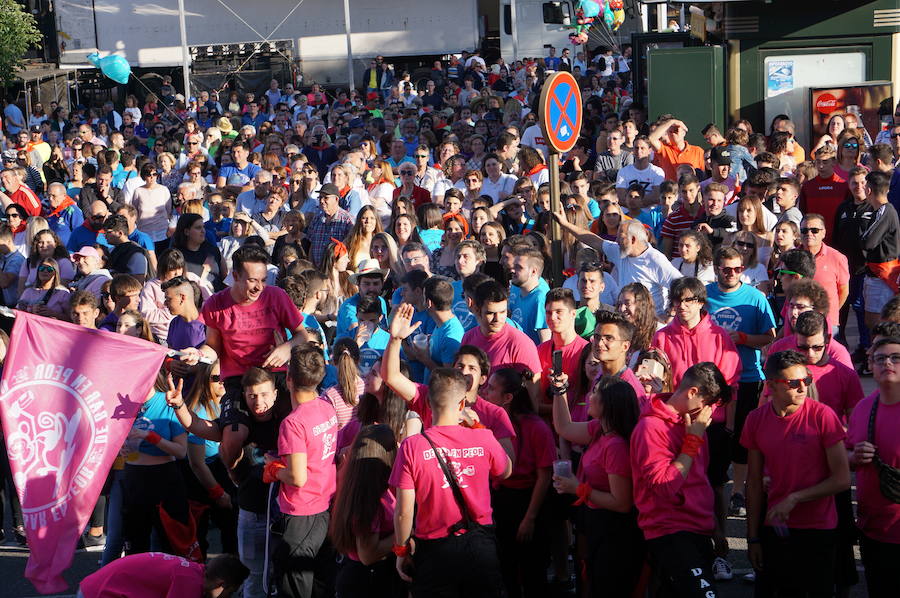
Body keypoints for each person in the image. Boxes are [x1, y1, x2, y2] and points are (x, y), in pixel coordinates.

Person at [389, 367, 513, 597]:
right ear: (462, 404)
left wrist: (401, 551)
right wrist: (477, 427)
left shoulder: (412, 446)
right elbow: (506, 471)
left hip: (435, 552)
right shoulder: (483, 437)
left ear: (428, 402)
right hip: (479, 545)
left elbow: (403, 511)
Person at [743, 350, 850, 597]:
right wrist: (753, 538)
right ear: (771, 386)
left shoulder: (823, 416)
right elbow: (754, 484)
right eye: (793, 383)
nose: (803, 388)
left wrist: (794, 498)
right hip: (774, 528)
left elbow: (842, 479)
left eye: (807, 380)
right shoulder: (755, 420)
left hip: (817, 529)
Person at [200, 245, 309, 471]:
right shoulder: (215, 304)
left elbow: (302, 335)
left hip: (275, 374)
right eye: (252, 280)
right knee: (232, 438)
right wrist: (198, 354)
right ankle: (235, 480)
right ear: (235, 276)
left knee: (293, 426)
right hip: (238, 378)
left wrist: (287, 348)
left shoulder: (276, 296)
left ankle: (291, 475)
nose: (259, 287)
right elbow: (213, 348)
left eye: (263, 280)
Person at [630, 362, 732, 598]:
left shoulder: (695, 425)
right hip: (671, 531)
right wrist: (692, 442)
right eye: (708, 403)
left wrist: (715, 528)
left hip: (698, 529)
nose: (709, 412)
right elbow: (665, 486)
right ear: (693, 392)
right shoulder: (651, 427)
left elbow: (700, 481)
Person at [551, 374, 644, 598]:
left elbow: (622, 503)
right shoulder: (599, 430)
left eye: (595, 392)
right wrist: (559, 390)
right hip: (598, 524)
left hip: (615, 533)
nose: (589, 397)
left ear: (608, 403)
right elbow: (564, 427)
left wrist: (578, 489)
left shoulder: (615, 446)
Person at [704, 246, 776, 518]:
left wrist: (743, 338)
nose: (732, 273)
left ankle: (737, 492)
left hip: (747, 376)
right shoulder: (704, 295)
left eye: (738, 269)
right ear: (716, 269)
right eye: (726, 269)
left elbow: (770, 336)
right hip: (712, 380)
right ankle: (712, 489)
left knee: (743, 439)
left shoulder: (755, 298)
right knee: (713, 437)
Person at [265, 345, 337, 598]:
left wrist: (273, 469)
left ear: (289, 378)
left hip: (300, 513)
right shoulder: (326, 406)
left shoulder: (293, 423)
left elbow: (297, 477)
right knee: (320, 585)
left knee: (294, 588)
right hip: (325, 508)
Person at [484, 368, 555, 598]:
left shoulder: (536, 427)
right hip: (502, 499)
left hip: (530, 501)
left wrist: (529, 519)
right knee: (506, 569)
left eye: (491, 388)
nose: (485, 392)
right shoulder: (490, 422)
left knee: (533, 572)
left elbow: (544, 476)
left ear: (508, 398)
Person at [846, 336, 900, 598]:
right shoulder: (863, 408)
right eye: (880, 359)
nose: (887, 363)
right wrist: (854, 456)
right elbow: (846, 456)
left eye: (896, 358)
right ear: (871, 366)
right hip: (874, 531)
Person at [328, 424, 405, 598]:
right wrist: (405, 533)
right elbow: (367, 555)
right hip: (368, 581)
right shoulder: (369, 500)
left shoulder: (358, 484)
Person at [557, 216, 682, 318]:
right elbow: (593, 240)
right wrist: (565, 224)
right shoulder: (620, 251)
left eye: (620, 238)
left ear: (633, 239)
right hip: (626, 322)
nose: (616, 241)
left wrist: (669, 314)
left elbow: (682, 286)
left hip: (650, 326)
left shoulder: (655, 259)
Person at [460, 280, 542, 380]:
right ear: (477, 310)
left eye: (503, 312)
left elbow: (534, 388)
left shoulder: (521, 344)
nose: (497, 319)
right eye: (490, 313)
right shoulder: (468, 338)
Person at [78, 553, 249, 598]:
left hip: (97, 585)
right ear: (221, 584)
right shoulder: (189, 584)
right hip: (100, 593)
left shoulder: (195, 570)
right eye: (230, 593)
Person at [859, 171, 900, 332]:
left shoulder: (885, 210)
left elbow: (868, 242)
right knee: (872, 322)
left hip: (883, 276)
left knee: (878, 324)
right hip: (876, 275)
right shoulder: (880, 210)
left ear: (869, 190)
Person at [801, 213, 850, 334]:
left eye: (814, 230)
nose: (809, 234)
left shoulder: (837, 258)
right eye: (804, 230)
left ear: (823, 233)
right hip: (798, 320)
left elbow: (844, 291)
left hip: (827, 322)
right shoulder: (793, 256)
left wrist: (831, 311)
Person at [508, 246, 550, 343]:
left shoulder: (540, 299)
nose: (512, 270)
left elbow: (545, 341)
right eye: (514, 266)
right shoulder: (516, 289)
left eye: (518, 267)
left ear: (533, 271)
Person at [307, 183, 354, 267]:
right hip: (316, 269)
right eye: (320, 198)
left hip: (336, 269)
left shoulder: (347, 220)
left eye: (326, 198)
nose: (322, 201)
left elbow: (350, 247)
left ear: (336, 199)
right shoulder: (317, 219)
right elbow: (311, 246)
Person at [649, 116, 706, 180]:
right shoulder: (664, 149)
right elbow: (651, 138)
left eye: (676, 130)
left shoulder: (698, 151)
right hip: (671, 186)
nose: (673, 134)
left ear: (684, 133)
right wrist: (671, 122)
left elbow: (702, 176)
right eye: (670, 132)